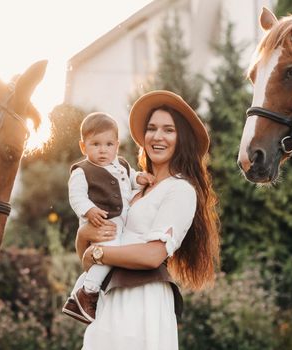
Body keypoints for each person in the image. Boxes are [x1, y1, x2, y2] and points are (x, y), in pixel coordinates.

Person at [76, 90, 220, 349]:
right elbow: (88, 256)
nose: (157, 136)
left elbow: (153, 255)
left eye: (168, 130)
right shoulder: (132, 189)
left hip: (143, 300)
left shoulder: (181, 190)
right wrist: (83, 237)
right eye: (152, 128)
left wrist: (98, 254)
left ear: (182, 139)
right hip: (110, 298)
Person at [62, 112, 154, 324]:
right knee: (108, 255)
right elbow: (76, 196)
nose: (103, 150)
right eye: (95, 144)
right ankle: (89, 293)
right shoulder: (81, 171)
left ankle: (77, 295)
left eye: (108, 144)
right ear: (83, 147)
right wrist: (88, 210)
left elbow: (130, 179)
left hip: (118, 222)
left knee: (109, 257)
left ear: (117, 145)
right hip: (100, 222)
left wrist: (140, 178)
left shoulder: (121, 164)